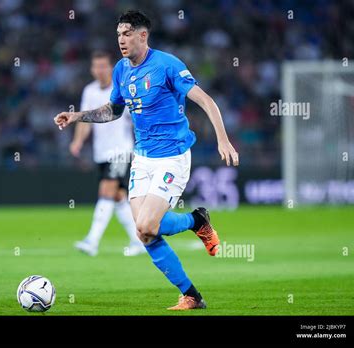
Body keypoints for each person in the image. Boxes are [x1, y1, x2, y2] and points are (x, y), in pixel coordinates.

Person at [55, 10, 239, 310]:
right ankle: (192, 280)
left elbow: (205, 100)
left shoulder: (167, 65)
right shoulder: (121, 70)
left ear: (143, 35)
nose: (121, 40)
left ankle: (196, 227)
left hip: (173, 157)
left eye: (127, 33)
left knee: (147, 224)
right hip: (142, 158)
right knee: (144, 231)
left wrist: (223, 138)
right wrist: (77, 116)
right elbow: (113, 110)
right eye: (118, 35)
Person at [70, 50, 145, 257]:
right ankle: (138, 241)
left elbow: (138, 118)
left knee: (106, 191)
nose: (100, 70)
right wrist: (77, 141)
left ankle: (91, 241)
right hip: (101, 153)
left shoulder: (121, 89)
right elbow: (85, 120)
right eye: (96, 67)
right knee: (120, 197)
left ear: (111, 68)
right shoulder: (89, 91)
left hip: (121, 151)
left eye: (104, 66)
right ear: (92, 69)